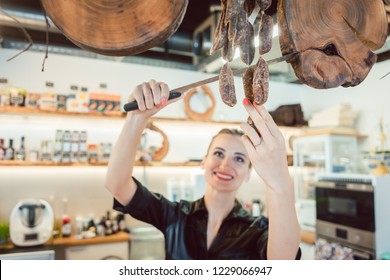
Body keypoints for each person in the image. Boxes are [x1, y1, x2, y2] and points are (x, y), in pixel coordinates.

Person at [105, 80, 301, 260]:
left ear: (249, 172)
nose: (225, 165)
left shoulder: (257, 229)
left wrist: (279, 181)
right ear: (203, 162)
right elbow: (118, 186)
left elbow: (283, 262)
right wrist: (136, 118)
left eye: (239, 159)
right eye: (218, 153)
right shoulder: (176, 215)